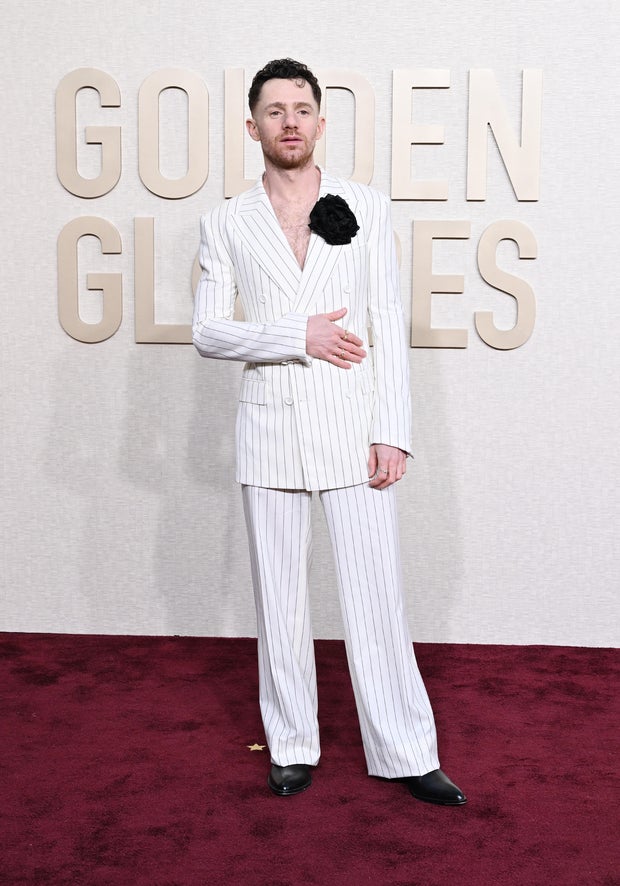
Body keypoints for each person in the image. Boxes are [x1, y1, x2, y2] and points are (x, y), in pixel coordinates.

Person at [192, 58, 466, 806]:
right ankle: (291, 745)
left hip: (354, 427)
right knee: (278, 599)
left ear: (319, 122)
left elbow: (386, 326)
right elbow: (209, 332)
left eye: (302, 108)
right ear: (253, 127)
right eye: (275, 110)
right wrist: (294, 334)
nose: (290, 120)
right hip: (269, 431)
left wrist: (393, 432)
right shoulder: (225, 221)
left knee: (377, 595)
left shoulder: (367, 207)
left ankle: (407, 750)